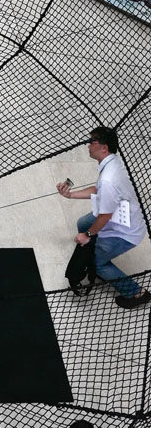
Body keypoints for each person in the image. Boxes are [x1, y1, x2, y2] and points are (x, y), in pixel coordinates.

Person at [56, 126, 149, 308]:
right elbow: (98, 190)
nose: (88, 145)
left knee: (98, 264)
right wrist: (70, 195)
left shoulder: (109, 178)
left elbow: (105, 215)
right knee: (82, 223)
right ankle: (93, 243)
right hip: (118, 214)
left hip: (125, 231)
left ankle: (137, 293)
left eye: (92, 142)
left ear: (104, 147)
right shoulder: (112, 163)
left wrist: (88, 235)